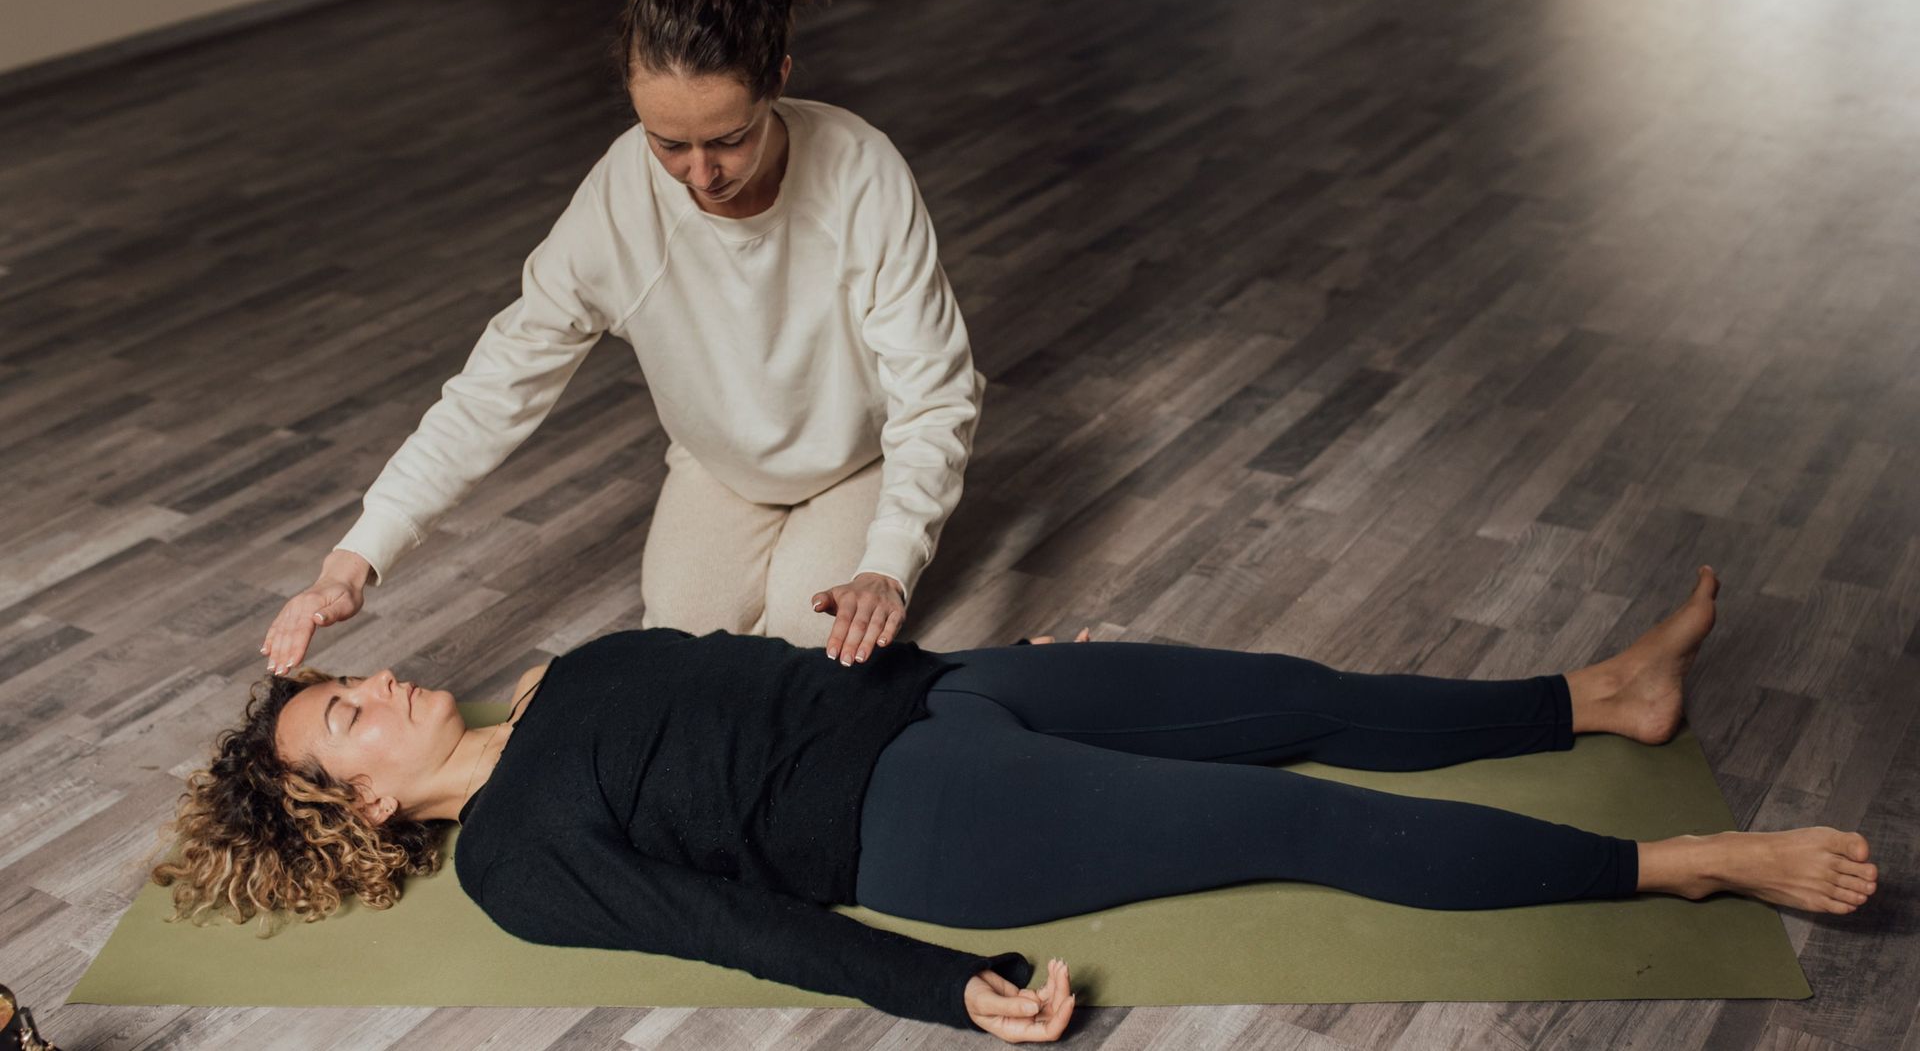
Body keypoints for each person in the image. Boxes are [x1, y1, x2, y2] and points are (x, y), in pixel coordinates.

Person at [161, 567, 1878, 1043]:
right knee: (1284, 809)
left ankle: (1599, 694)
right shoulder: (521, 864)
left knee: (1286, 694)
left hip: (943, 687)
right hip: (925, 817)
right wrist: (940, 978)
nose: (381, 684)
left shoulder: (550, 673)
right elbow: (738, 927)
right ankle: (1685, 863)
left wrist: (967, 645)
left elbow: (768, 671)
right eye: (345, 716)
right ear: (360, 808)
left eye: (354, 678)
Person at [258, 0, 984, 677]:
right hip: (719, 464)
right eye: (668, 142)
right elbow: (497, 385)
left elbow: (935, 395)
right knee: (678, 648)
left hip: (860, 457)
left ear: (779, 80)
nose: (701, 174)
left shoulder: (862, 171)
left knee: (811, 645)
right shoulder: (616, 201)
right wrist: (354, 560)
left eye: (729, 138)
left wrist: (887, 561)